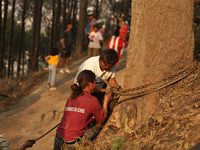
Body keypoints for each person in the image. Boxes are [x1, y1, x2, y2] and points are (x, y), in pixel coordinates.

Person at [54, 70, 112, 150]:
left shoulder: (71, 97)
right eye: (95, 83)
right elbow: (101, 119)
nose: (96, 86)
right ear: (90, 84)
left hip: (58, 139)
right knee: (97, 127)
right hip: (73, 144)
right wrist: (106, 102)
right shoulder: (92, 100)